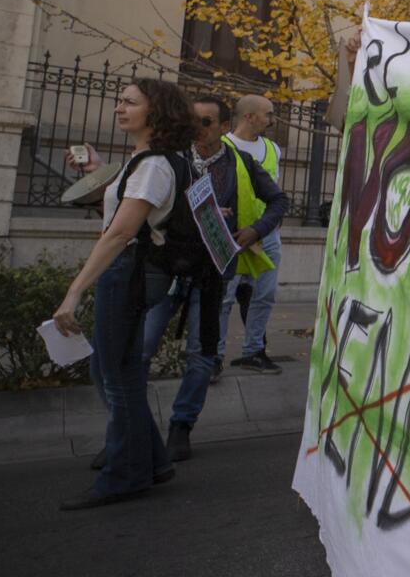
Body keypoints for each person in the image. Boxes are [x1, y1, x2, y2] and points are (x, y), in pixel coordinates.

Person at [52, 79, 197, 510]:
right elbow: (118, 212)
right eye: (119, 100)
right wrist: (96, 171)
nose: (119, 108)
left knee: (113, 375)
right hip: (136, 271)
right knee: (120, 371)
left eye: (130, 102)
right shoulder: (147, 160)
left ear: (157, 112)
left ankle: (124, 475)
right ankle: (151, 461)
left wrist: (73, 293)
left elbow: (119, 231)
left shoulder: (153, 164)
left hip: (130, 271)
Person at [138, 95, 289, 461]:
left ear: (224, 128)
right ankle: (132, 428)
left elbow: (279, 202)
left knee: (201, 355)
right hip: (168, 271)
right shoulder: (170, 161)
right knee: (140, 348)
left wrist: (255, 229)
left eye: (206, 122)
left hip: (213, 272)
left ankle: (181, 427)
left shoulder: (242, 162)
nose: (197, 128)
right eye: (193, 121)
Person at [223, 93, 286, 375]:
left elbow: (275, 192)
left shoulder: (273, 149)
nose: (273, 119)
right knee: (224, 297)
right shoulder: (222, 146)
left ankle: (254, 351)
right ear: (249, 116)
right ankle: (214, 354)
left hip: (266, 234)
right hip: (233, 234)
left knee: (265, 294)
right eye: (269, 114)